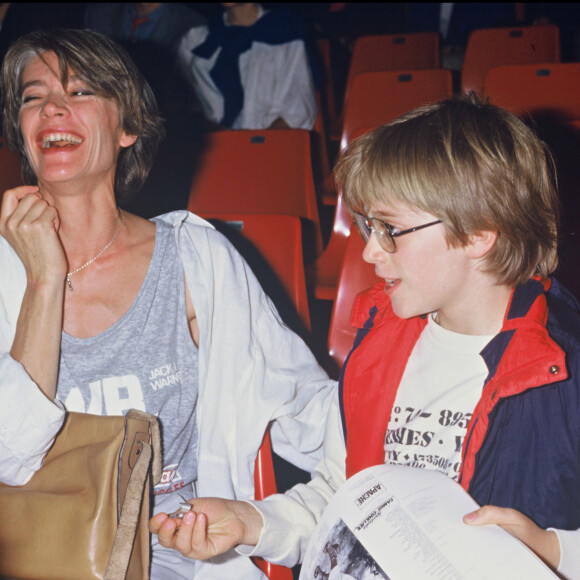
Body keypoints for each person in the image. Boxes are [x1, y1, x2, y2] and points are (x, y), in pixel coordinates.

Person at [150, 94, 580, 579]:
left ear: (480, 234)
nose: (370, 252)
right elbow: (346, 498)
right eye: (367, 226)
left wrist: (552, 551)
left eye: (391, 229)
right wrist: (251, 521)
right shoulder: (382, 345)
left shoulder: (565, 368)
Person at [0, 28, 336, 579]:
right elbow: (11, 458)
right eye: (33, 97)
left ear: (128, 127)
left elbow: (309, 407)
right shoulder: (8, 275)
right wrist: (44, 280)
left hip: (180, 553)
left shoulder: (194, 259)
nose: (53, 108)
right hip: (41, 549)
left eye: (81, 92)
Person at [177, 2, 318, 130]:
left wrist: (251, 147)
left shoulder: (285, 33)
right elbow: (184, 105)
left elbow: (299, 110)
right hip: (214, 146)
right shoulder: (195, 41)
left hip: (271, 145)